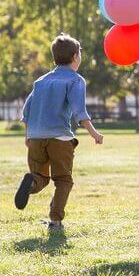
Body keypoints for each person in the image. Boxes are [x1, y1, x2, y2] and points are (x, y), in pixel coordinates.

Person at [14, 33, 104, 231]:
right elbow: (80, 111)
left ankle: (31, 183)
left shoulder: (41, 81)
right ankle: (55, 222)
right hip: (60, 138)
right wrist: (94, 133)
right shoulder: (75, 80)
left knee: (40, 177)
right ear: (75, 57)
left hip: (36, 137)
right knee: (63, 180)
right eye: (80, 53)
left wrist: (28, 136)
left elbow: (26, 111)